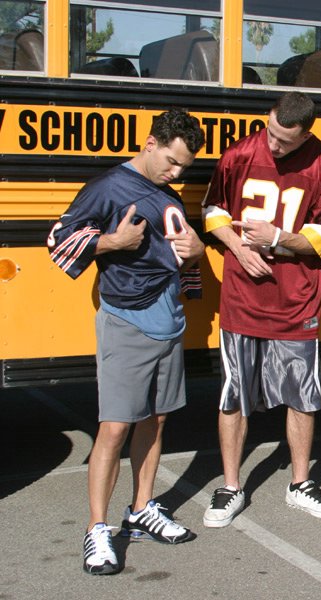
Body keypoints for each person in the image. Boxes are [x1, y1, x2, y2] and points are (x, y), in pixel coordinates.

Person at [47, 109, 207, 575]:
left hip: (169, 317)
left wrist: (196, 254)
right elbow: (58, 239)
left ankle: (140, 510)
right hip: (128, 319)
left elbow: (182, 250)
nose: (176, 172)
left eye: (184, 167)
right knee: (114, 428)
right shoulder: (108, 187)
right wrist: (112, 243)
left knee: (155, 423)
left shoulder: (166, 191)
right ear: (151, 143)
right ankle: (97, 531)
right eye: (171, 161)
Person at [201, 92, 321, 525]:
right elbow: (212, 210)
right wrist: (238, 249)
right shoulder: (239, 153)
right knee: (234, 393)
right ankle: (230, 487)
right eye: (273, 134)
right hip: (243, 295)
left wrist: (278, 239)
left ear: (308, 133)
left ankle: (300, 483)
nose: (277, 146)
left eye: (287, 141)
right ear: (268, 118)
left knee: (302, 394)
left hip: (296, 297)